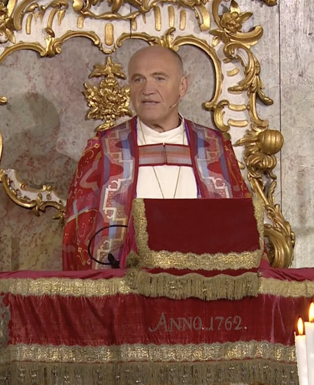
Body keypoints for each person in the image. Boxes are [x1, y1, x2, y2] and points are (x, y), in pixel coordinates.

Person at [63, 46, 251, 270]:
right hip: (126, 291)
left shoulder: (215, 148)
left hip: (203, 288)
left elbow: (244, 231)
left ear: (182, 87)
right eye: (138, 80)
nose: (147, 89)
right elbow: (78, 238)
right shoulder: (102, 150)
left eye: (159, 78)